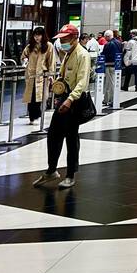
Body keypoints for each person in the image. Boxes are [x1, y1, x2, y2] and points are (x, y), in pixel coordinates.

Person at [33, 25, 93, 190]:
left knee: (72, 138)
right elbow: (64, 75)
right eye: (60, 39)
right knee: (53, 134)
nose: (62, 41)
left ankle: (70, 175)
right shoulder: (68, 54)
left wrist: (70, 99)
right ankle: (51, 170)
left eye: (65, 39)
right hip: (64, 98)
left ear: (74, 38)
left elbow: (82, 82)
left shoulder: (82, 55)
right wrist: (57, 82)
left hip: (75, 101)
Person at [20, 26, 53, 122]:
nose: (37, 37)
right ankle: (31, 116)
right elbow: (23, 57)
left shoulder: (48, 46)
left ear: (43, 36)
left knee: (40, 96)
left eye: (39, 35)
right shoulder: (30, 46)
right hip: (30, 75)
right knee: (31, 96)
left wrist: (51, 74)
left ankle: (37, 115)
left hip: (42, 75)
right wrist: (25, 60)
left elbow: (51, 61)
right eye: (35, 35)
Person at [100, 29, 123, 111]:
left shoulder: (108, 44)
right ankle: (108, 99)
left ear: (107, 36)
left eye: (105, 37)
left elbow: (104, 54)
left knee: (110, 83)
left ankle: (111, 99)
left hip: (109, 65)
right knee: (113, 82)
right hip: (117, 66)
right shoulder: (119, 43)